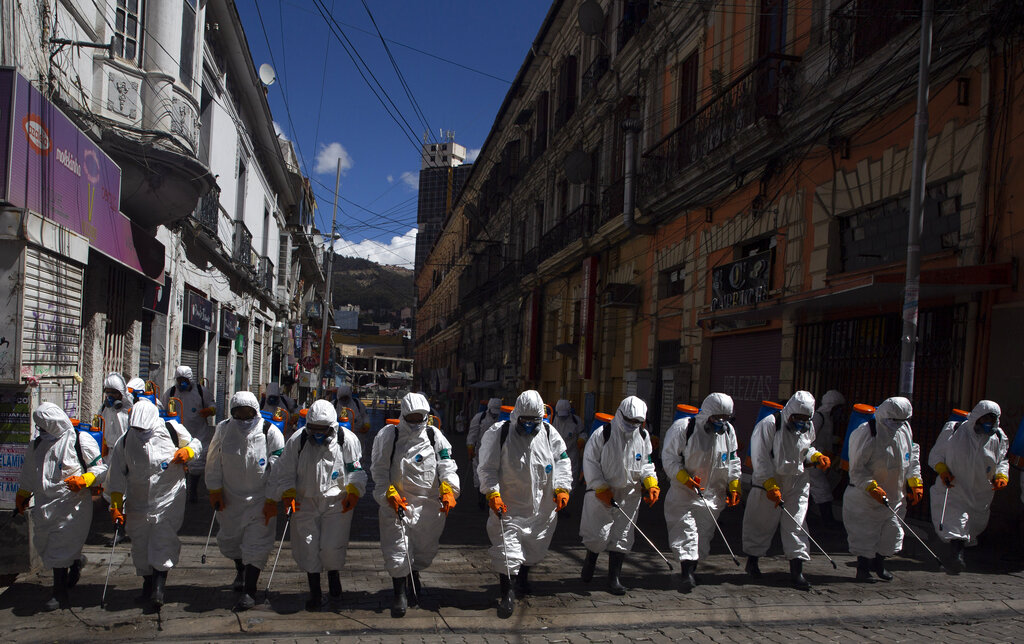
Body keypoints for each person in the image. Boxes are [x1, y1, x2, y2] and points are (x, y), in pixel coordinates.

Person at [477, 390, 572, 619]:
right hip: (509, 506)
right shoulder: (499, 434)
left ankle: (523, 578)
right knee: (507, 552)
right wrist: (492, 493)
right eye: (525, 421)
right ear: (516, 415)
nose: (529, 426)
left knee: (534, 547)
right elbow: (487, 468)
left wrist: (562, 487)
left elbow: (563, 461)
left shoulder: (549, 433)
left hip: (541, 507)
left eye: (534, 421)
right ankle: (507, 593)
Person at [269, 399, 366, 611]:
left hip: (336, 502)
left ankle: (333, 575)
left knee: (331, 546)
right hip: (305, 502)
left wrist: (354, 490)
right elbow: (284, 471)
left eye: (323, 429)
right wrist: (287, 493)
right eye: (314, 429)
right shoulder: (298, 440)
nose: (319, 434)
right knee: (308, 546)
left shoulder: (346, 440)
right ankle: (314, 592)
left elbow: (356, 470)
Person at [104, 399, 201, 608]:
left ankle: (159, 587)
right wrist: (115, 504)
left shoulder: (171, 429)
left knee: (162, 539)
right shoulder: (124, 441)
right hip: (138, 500)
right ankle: (147, 584)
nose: (139, 432)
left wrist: (188, 452)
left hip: (168, 496)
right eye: (136, 428)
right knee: (140, 544)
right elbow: (117, 476)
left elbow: (196, 444)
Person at [371, 393, 460, 618]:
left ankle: (414, 573)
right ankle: (399, 592)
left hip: (428, 506)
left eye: (419, 417)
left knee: (424, 548)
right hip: (397, 503)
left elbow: (447, 464)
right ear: (403, 414)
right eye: (410, 417)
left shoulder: (434, 435)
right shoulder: (388, 435)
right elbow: (379, 469)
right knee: (398, 550)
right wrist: (387, 492)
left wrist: (449, 489)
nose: (415, 421)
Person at [15, 403, 106, 611]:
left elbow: (100, 468)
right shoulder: (37, 444)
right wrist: (22, 494)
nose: (42, 430)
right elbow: (29, 472)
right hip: (45, 505)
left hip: (72, 505)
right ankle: (74, 563)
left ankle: (59, 594)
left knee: (59, 547)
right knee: (45, 544)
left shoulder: (79, 440)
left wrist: (85, 479)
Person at [205, 391, 285, 610]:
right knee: (231, 540)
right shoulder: (223, 429)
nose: (242, 417)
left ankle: (250, 590)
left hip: (260, 499)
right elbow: (212, 460)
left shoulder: (270, 431)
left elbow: (279, 467)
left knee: (257, 544)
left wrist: (272, 498)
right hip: (231, 497)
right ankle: (240, 569)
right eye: (238, 413)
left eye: (247, 412)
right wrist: (215, 489)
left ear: (256, 411)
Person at [742, 390, 827, 590]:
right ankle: (752, 561)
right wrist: (769, 484)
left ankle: (797, 571)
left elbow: (806, 449)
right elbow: (760, 458)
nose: (801, 422)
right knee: (760, 522)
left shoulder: (808, 427)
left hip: (797, 481)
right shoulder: (769, 425)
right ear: (789, 412)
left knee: (797, 524)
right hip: (769, 481)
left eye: (806, 418)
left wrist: (815, 457)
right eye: (798, 418)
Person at [578, 396, 658, 595]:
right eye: (629, 421)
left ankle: (614, 578)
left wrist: (651, 482)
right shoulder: (602, 434)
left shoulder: (644, 437)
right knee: (597, 534)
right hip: (603, 493)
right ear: (620, 414)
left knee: (622, 535)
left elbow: (647, 463)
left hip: (630, 493)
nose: (632, 426)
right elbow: (590, 462)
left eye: (636, 422)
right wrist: (600, 487)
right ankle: (591, 559)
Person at [662, 393, 741, 593]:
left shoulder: (728, 432)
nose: (721, 422)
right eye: (717, 417)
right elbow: (670, 458)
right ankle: (687, 572)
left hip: (713, 494)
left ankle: (692, 568)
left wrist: (734, 484)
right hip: (684, 494)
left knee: (703, 535)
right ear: (707, 414)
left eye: (726, 417)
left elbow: (732, 460)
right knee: (686, 531)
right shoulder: (684, 429)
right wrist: (683, 478)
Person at [843, 396, 922, 582]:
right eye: (894, 420)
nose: (897, 424)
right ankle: (863, 569)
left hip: (895, 494)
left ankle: (880, 564)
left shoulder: (905, 430)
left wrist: (915, 482)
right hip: (866, 497)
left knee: (891, 533)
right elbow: (856, 469)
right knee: (865, 533)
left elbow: (911, 457)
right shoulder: (866, 433)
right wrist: (871, 486)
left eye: (901, 421)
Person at [928, 400, 1009, 573]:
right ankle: (957, 557)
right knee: (956, 521)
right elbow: (936, 455)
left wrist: (1001, 475)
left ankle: (955, 552)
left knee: (974, 524)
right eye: (984, 419)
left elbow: (1002, 461)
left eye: (991, 420)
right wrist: (942, 470)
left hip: (980, 491)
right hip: (955, 487)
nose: (988, 424)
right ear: (976, 417)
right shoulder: (954, 430)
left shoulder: (999, 437)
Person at [163, 366, 215, 502]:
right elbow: (162, 408)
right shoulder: (171, 393)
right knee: (179, 462)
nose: (182, 383)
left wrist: (210, 410)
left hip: (198, 433)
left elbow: (213, 404)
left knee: (197, 465)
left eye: (184, 380)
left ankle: (193, 489)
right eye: (179, 380)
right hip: (178, 436)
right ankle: (181, 490)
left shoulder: (201, 391)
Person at [810, 390, 845, 528]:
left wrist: (837, 440)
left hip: (821, 461)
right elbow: (810, 440)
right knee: (822, 489)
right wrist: (822, 453)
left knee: (815, 490)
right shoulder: (819, 417)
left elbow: (825, 438)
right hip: (814, 461)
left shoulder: (827, 419)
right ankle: (827, 521)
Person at [468, 398, 503, 509]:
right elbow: (472, 433)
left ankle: (492, 498)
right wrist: (470, 446)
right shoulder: (479, 418)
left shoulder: (503, 418)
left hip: (497, 452)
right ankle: (481, 499)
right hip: (479, 452)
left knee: (495, 476)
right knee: (478, 475)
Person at [334, 383, 370, 465]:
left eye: (346, 398)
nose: (344, 400)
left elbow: (365, 415)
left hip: (357, 434)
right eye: (342, 398)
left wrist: (366, 425)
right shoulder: (334, 405)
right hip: (339, 435)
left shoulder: (357, 404)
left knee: (358, 455)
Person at [552, 399, 584, 486]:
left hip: (572, 453)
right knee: (555, 477)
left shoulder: (576, 421)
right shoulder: (552, 421)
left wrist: (582, 439)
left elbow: (582, 433)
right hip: (555, 454)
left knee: (572, 478)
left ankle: (569, 498)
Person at [100, 372, 133, 453]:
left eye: (114, 393)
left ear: (121, 392)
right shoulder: (105, 408)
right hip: (109, 451)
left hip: (125, 451)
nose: (110, 396)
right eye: (108, 392)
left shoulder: (131, 408)